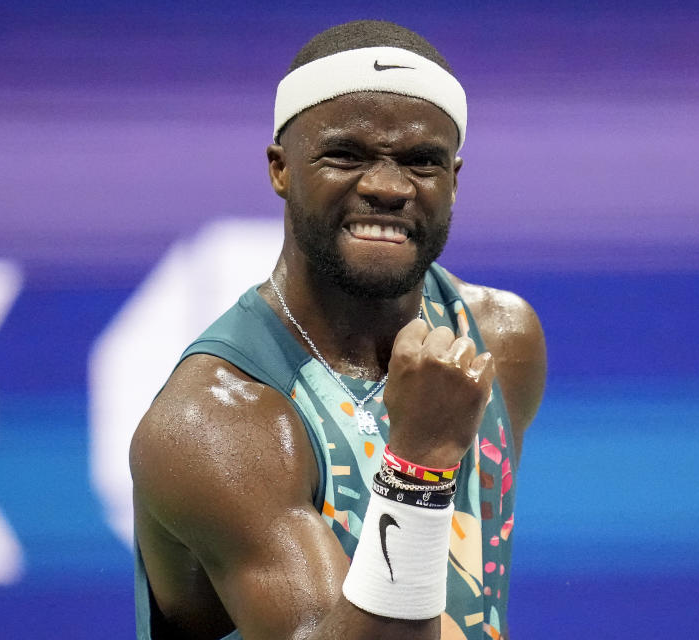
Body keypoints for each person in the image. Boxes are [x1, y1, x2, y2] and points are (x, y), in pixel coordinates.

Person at [131, 19, 546, 640]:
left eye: (421, 162)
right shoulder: (215, 425)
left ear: (454, 181)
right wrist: (420, 464)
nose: (385, 186)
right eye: (345, 155)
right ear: (280, 169)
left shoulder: (503, 339)